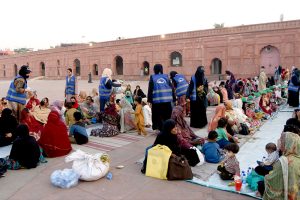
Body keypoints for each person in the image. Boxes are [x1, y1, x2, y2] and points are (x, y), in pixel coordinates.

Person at [258, 132, 300, 199]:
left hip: (287, 195)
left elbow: (273, 179)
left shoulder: (284, 161)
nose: (279, 142)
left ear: (288, 144)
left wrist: (266, 177)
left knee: (261, 183)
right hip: (296, 194)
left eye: (281, 140)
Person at [147, 64, 175, 131]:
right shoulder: (166, 76)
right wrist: (174, 98)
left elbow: (150, 89)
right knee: (167, 116)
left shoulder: (153, 77)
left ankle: (161, 129)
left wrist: (149, 100)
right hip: (167, 100)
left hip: (157, 101)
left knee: (158, 116)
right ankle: (168, 129)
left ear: (154, 69)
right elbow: (172, 88)